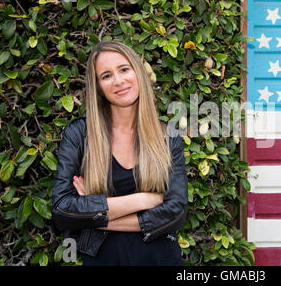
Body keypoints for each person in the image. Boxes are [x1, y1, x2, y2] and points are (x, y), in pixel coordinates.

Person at [51, 40, 187, 266]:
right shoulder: (79, 134)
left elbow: (176, 212)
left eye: (124, 69)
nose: (118, 80)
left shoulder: (167, 136)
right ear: (99, 89)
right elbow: (63, 210)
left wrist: (93, 217)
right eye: (106, 76)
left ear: (137, 73)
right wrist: (145, 199)